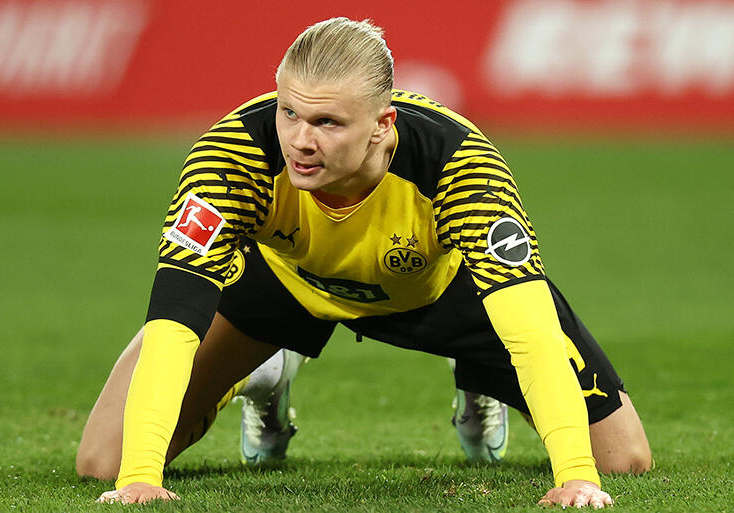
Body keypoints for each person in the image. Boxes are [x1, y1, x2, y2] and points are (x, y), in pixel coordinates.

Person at [76, 17, 652, 507]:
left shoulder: (461, 165)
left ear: (382, 125)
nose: (300, 140)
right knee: (106, 461)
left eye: (327, 122)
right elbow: (175, 316)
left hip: (443, 290)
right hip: (286, 281)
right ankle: (263, 372)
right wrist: (140, 477)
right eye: (289, 112)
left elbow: (530, 329)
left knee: (621, 459)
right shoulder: (232, 157)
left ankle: (482, 379)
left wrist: (576, 475)